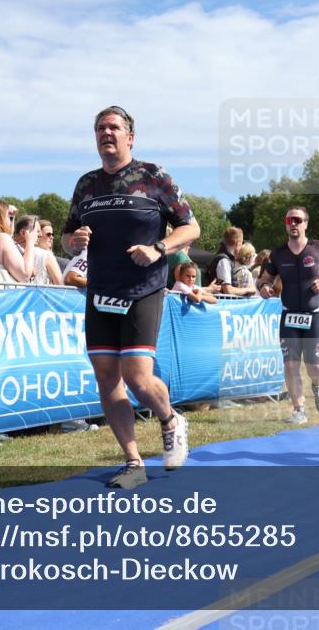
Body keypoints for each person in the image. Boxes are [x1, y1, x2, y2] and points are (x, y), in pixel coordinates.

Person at [61, 105, 200, 489]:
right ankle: (133, 461)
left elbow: (191, 228)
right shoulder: (86, 185)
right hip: (100, 292)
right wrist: (71, 241)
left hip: (142, 289)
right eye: (100, 128)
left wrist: (159, 248)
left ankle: (171, 420)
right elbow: (66, 234)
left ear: (130, 137)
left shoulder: (153, 177)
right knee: (107, 378)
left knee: (137, 376)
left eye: (114, 127)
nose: (107, 133)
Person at [256, 205, 319, 425]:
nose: (293, 224)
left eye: (297, 220)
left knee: (314, 366)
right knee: (291, 365)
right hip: (289, 315)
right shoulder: (278, 253)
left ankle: (317, 385)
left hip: (315, 314)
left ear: (306, 223)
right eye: (289, 221)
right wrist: (264, 288)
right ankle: (299, 409)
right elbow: (263, 279)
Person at [205, 227, 254, 296]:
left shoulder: (225, 259)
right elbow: (228, 290)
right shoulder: (224, 261)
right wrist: (249, 289)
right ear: (238, 243)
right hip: (219, 304)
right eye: (242, 242)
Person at [14, 215, 63, 285]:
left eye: (53, 234)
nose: (52, 237)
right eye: (48, 234)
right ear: (23, 233)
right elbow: (60, 284)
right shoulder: (45, 255)